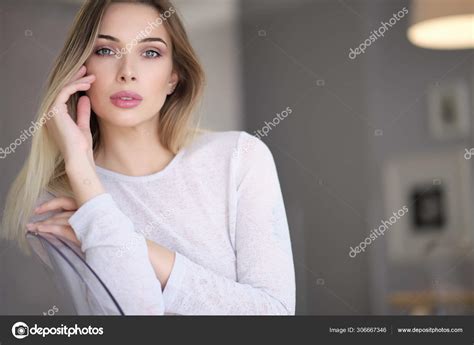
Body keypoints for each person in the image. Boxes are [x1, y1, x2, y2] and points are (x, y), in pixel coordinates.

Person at [1, 0, 295, 315]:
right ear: (79, 69)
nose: (127, 72)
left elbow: (273, 313)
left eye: (150, 53)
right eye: (105, 51)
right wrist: (81, 171)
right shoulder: (56, 205)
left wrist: (117, 237)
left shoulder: (239, 158)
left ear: (174, 77)